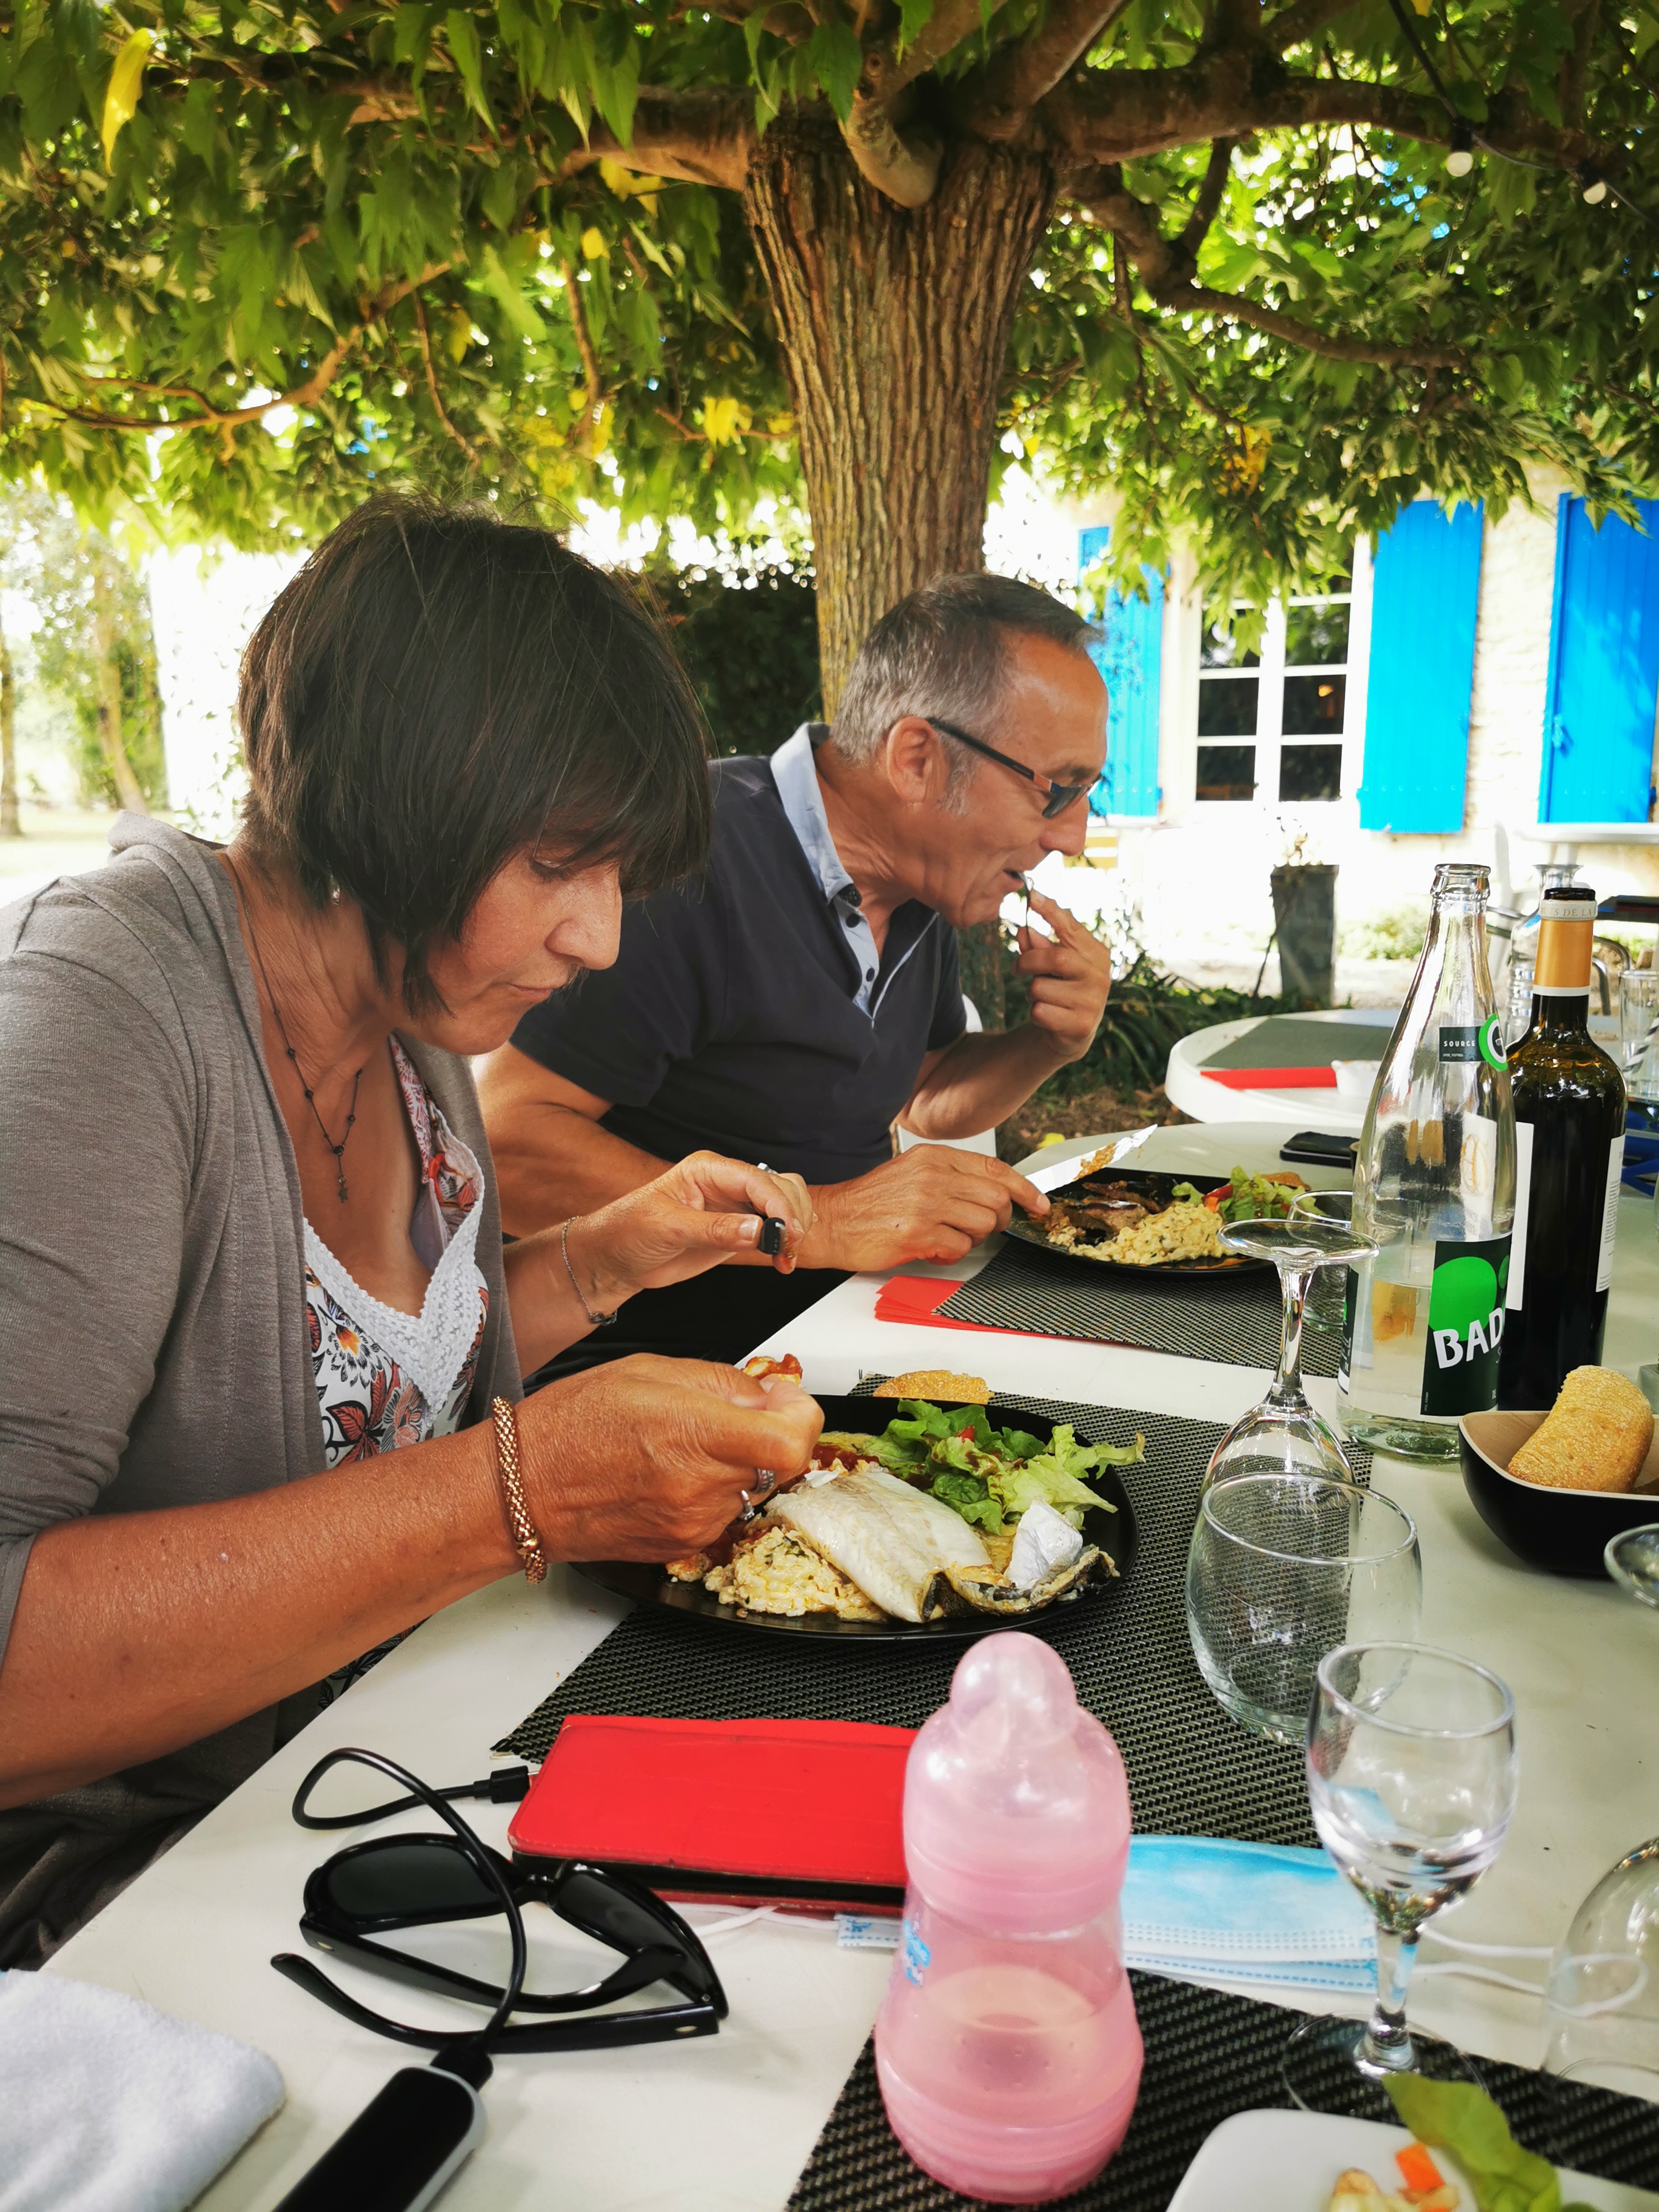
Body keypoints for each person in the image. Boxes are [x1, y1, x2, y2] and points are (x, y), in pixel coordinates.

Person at [0, 496, 823, 1966]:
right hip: (136, 1904)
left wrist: (599, 1261)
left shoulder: (415, 1013)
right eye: (559, 864)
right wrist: (519, 1491)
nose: (601, 938)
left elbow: (373, 1390)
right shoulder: (106, 1012)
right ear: (392, 803)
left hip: (390, 1760)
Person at [482, 572, 1116, 1372]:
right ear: (917, 760)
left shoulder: (924, 885)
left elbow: (924, 1095)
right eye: (1057, 791)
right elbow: (509, 1139)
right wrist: (816, 1221)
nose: (1073, 838)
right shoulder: (691, 858)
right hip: (648, 1367)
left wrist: (1047, 1044)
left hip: (840, 1333)